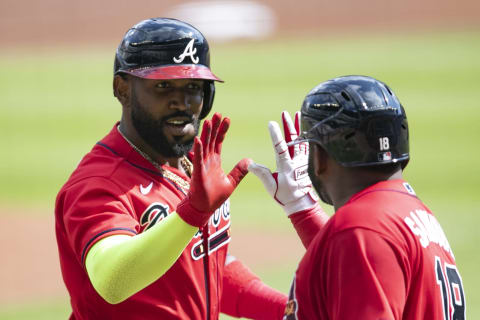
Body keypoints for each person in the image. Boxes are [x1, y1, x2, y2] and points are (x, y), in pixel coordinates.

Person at [54, 17, 287, 319]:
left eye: (193, 86)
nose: (182, 102)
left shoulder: (191, 167)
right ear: (122, 89)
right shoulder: (99, 184)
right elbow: (111, 280)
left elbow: (203, 265)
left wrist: (291, 310)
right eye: (163, 86)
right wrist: (192, 213)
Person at [249, 75, 466, 319]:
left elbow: (362, 244)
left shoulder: (362, 229)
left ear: (319, 157)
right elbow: (355, 265)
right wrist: (302, 209)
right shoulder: (412, 215)